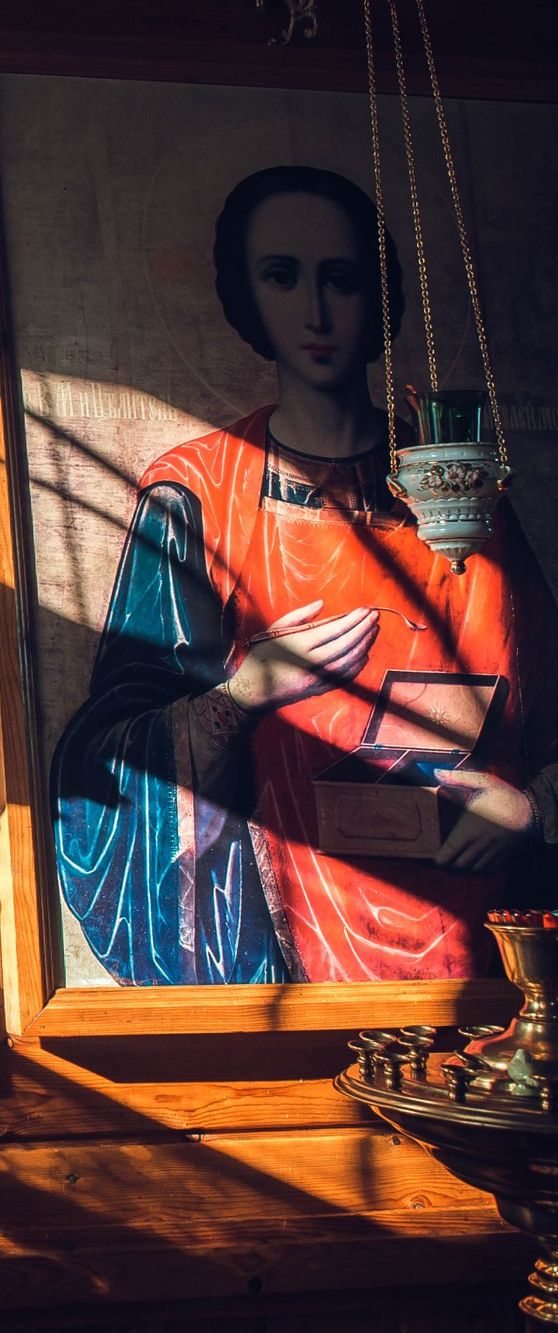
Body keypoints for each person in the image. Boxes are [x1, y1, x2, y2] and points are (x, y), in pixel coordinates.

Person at [54, 165, 558, 985]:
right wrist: (244, 693)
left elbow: (550, 713)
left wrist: (532, 808)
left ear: (377, 296)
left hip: (478, 930)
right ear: (247, 296)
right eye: (283, 277)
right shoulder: (196, 492)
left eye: (342, 279)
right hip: (285, 930)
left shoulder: (460, 491)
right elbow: (106, 760)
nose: (316, 312)